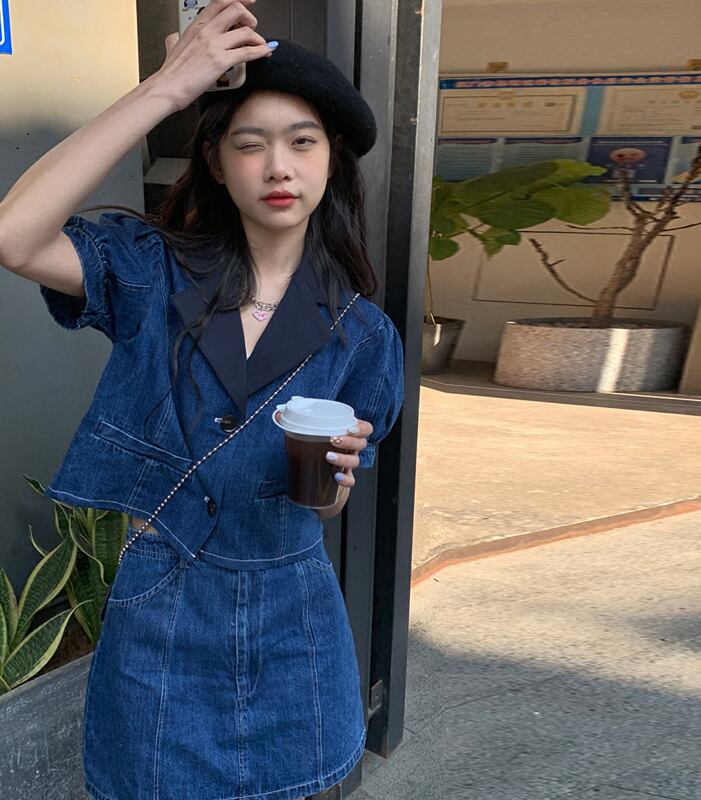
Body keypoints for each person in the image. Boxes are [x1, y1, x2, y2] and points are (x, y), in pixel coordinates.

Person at [0, 1, 405, 798]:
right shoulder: (151, 272)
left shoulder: (364, 335)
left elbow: (329, 504)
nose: (279, 167)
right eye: (249, 144)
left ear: (331, 161)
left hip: (293, 611)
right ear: (216, 163)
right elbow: (15, 235)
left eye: (302, 142)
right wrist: (166, 88)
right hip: (163, 599)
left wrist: (334, 482)